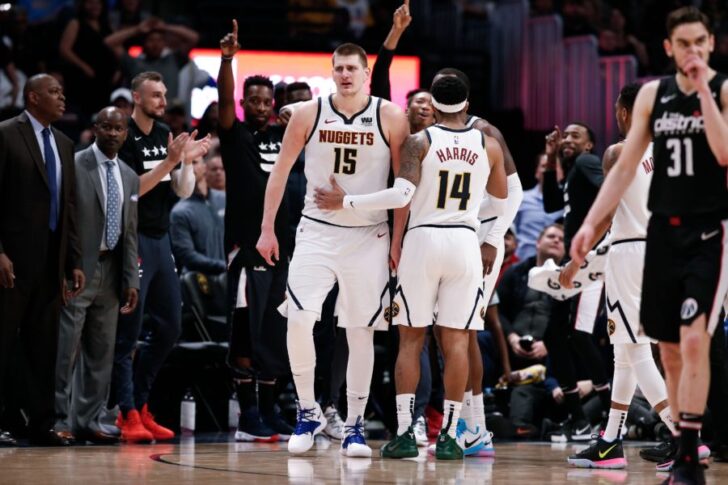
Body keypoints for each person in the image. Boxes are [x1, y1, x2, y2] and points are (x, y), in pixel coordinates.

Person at [571, 7, 728, 483]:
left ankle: (689, 443)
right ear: (668, 48)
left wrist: (703, 91)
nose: (693, 51)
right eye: (683, 44)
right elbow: (621, 168)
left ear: (711, 44)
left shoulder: (721, 91)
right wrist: (589, 226)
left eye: (700, 42)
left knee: (693, 339)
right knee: (666, 349)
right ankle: (679, 448)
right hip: (660, 235)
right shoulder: (652, 98)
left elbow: (723, 153)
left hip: (706, 232)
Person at [314, 75, 506, 460]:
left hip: (423, 241)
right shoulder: (489, 145)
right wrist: (485, 236)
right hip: (464, 241)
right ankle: (451, 436)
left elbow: (402, 194)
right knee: (455, 342)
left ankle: (404, 432)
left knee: (411, 340)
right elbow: (500, 204)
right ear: (468, 104)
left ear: (432, 106)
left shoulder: (421, 141)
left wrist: (348, 201)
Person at [256, 41, 409, 457]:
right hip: (317, 232)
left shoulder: (390, 116)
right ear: (332, 72)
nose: (344, 75)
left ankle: (356, 424)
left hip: (368, 235)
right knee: (299, 319)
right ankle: (308, 411)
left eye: (351, 69)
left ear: (365, 74)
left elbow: (403, 188)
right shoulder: (309, 113)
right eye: (338, 68)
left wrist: (397, 241)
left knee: (359, 331)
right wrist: (267, 229)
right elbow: (280, 173)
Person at [560, 83, 684, 469]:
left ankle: (683, 435)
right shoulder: (673, 152)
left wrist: (575, 260)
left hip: (631, 251)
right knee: (624, 352)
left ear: (629, 112)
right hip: (665, 252)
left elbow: (608, 211)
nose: (616, 116)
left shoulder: (619, 152)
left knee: (636, 349)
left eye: (618, 109)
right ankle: (610, 441)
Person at [111, 71, 210, 443]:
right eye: (155, 95)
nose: (162, 101)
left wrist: (186, 163)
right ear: (137, 97)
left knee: (169, 327)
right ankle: (126, 412)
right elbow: (131, 188)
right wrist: (170, 162)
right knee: (129, 334)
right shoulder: (124, 135)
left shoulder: (164, 132)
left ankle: (141, 403)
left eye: (164, 95)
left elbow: (181, 193)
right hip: (132, 239)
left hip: (160, 238)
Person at [432, 66, 523, 457]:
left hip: (479, 236)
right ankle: (467, 424)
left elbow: (513, 194)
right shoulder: (431, 135)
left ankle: (477, 427)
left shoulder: (486, 133)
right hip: (451, 236)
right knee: (446, 333)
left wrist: (491, 238)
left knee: (465, 332)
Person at [218, 21, 292, 443]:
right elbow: (224, 100)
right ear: (245, 103)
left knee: (274, 333)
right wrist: (229, 59)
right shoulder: (236, 135)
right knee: (246, 330)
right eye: (255, 100)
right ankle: (247, 415)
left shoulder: (285, 137)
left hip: (282, 250)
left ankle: (268, 409)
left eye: (268, 101)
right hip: (246, 248)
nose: (261, 105)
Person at [0, 74, 84, 446]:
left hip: (52, 260)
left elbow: (68, 207)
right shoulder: (5, 133)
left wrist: (74, 261)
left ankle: (40, 423)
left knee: (44, 347)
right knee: (2, 342)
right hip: (12, 261)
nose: (61, 97)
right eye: (53, 91)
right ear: (32, 97)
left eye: (62, 91)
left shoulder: (64, 143)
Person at [55, 107, 139, 444]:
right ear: (95, 128)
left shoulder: (130, 175)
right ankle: (58, 418)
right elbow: (62, 224)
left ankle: (88, 420)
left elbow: (130, 232)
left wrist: (131, 278)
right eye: (107, 127)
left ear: (126, 133)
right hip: (78, 269)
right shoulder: (74, 165)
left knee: (101, 352)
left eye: (119, 128)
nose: (114, 133)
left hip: (112, 268)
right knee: (65, 350)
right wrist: (63, 269)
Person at [541, 120, 611, 442]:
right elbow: (551, 204)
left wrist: (594, 250)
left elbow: (611, 194)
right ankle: (577, 417)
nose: (567, 139)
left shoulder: (587, 163)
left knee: (579, 335)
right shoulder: (572, 172)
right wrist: (552, 154)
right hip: (573, 264)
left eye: (575, 136)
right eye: (564, 135)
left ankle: (611, 416)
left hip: (590, 261)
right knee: (555, 335)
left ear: (588, 145)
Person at [170, 155, 226, 275]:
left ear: (204, 167)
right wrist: (223, 266)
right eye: (183, 164)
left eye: (193, 162)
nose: (188, 168)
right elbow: (187, 256)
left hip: (230, 278)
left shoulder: (224, 199)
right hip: (199, 282)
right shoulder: (180, 212)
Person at [513, 154, 563, 260]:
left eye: (553, 166)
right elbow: (511, 232)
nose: (548, 170)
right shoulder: (521, 199)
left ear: (561, 173)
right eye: (544, 166)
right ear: (537, 172)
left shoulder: (567, 201)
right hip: (522, 263)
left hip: (557, 266)